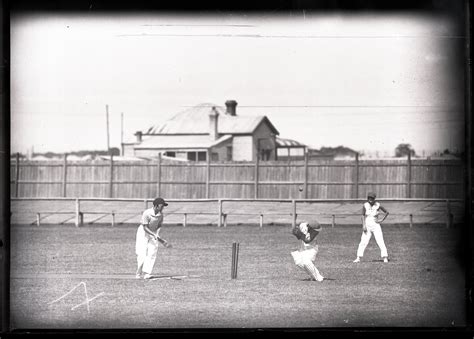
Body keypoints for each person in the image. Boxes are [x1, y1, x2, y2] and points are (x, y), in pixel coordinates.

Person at [135, 197, 172, 279]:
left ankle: (147, 273)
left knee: (152, 253)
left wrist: (157, 235)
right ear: (156, 205)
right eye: (162, 206)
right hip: (143, 233)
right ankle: (138, 272)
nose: (163, 208)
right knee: (142, 253)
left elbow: (159, 226)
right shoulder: (147, 213)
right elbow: (145, 227)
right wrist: (154, 235)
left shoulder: (161, 215)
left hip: (153, 232)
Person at [353, 192, 389, 263]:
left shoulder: (378, 205)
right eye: (369, 198)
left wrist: (381, 220)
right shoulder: (365, 205)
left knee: (380, 241)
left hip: (376, 225)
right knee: (363, 241)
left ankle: (385, 257)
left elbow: (386, 212)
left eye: (372, 198)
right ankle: (358, 257)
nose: (370, 199)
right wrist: (364, 225)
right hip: (367, 225)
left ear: (374, 198)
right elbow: (363, 215)